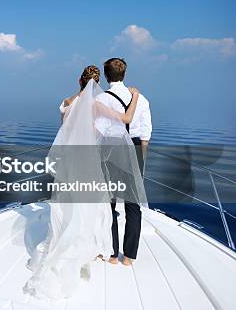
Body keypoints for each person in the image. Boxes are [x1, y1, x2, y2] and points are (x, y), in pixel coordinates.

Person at [24, 65, 144, 301]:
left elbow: (67, 129)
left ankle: (63, 245)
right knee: (88, 207)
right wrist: (136, 95)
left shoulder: (67, 102)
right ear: (96, 84)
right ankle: (83, 251)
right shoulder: (95, 105)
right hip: (88, 161)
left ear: (79, 80)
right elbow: (127, 119)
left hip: (68, 161)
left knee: (66, 205)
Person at [96, 58, 152, 266]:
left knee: (109, 202)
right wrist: (140, 159)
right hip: (135, 148)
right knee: (132, 204)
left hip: (111, 148)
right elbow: (146, 133)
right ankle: (129, 256)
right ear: (124, 74)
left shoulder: (101, 99)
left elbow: (100, 130)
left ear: (106, 75)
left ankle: (112, 253)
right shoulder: (141, 99)